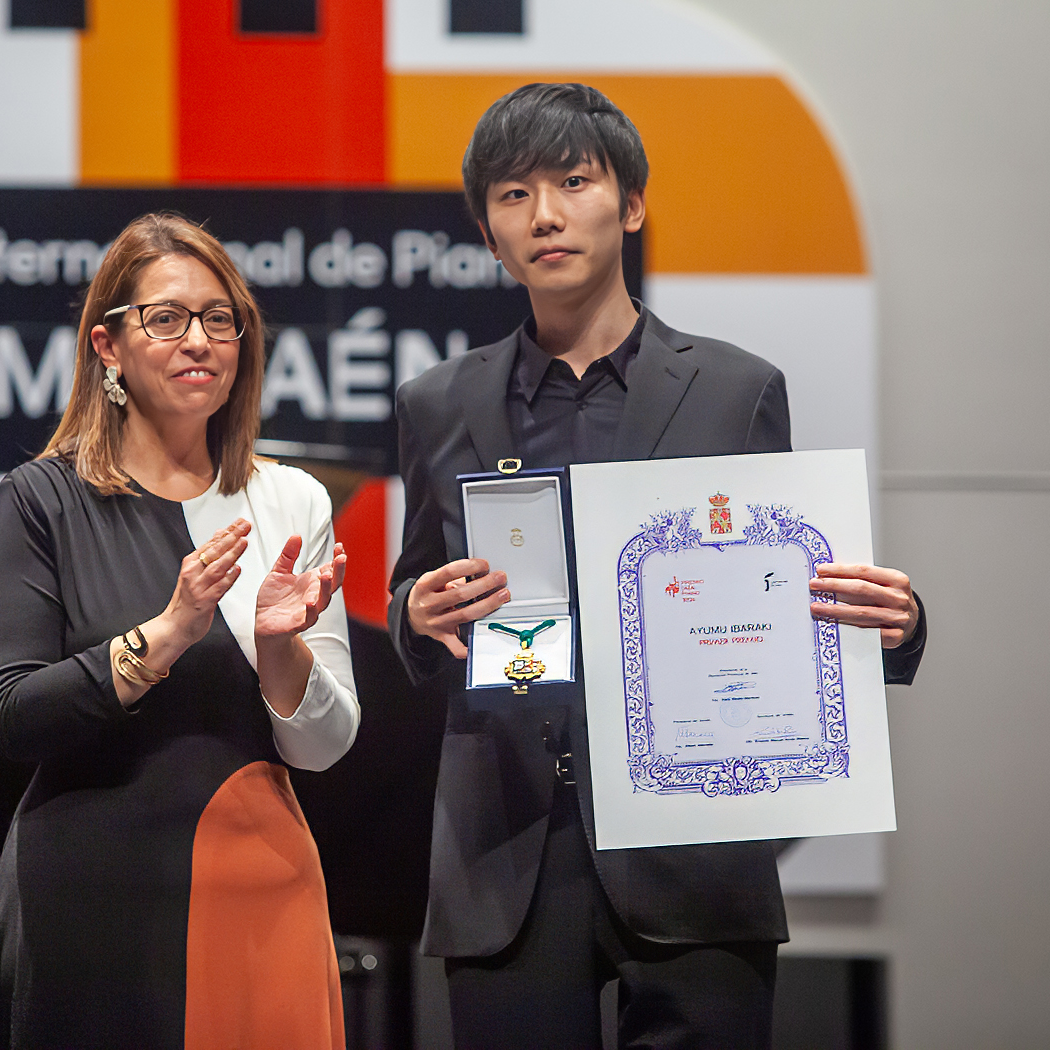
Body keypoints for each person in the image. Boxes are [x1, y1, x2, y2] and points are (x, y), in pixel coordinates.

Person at [388, 84, 927, 1049]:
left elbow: (780, 587)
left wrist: (893, 625)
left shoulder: (734, 388)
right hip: (507, 845)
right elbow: (413, 594)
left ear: (631, 205)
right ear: (486, 232)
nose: (544, 215)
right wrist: (416, 614)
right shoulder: (436, 402)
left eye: (572, 181)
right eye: (512, 196)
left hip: (695, 842)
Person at [0, 212, 359, 1050]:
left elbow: (325, 747)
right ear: (107, 346)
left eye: (220, 320)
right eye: (167, 318)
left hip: (257, 888)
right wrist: (167, 633)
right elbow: (12, 714)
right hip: (86, 901)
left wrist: (279, 649)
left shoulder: (290, 502)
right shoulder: (42, 499)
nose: (199, 340)